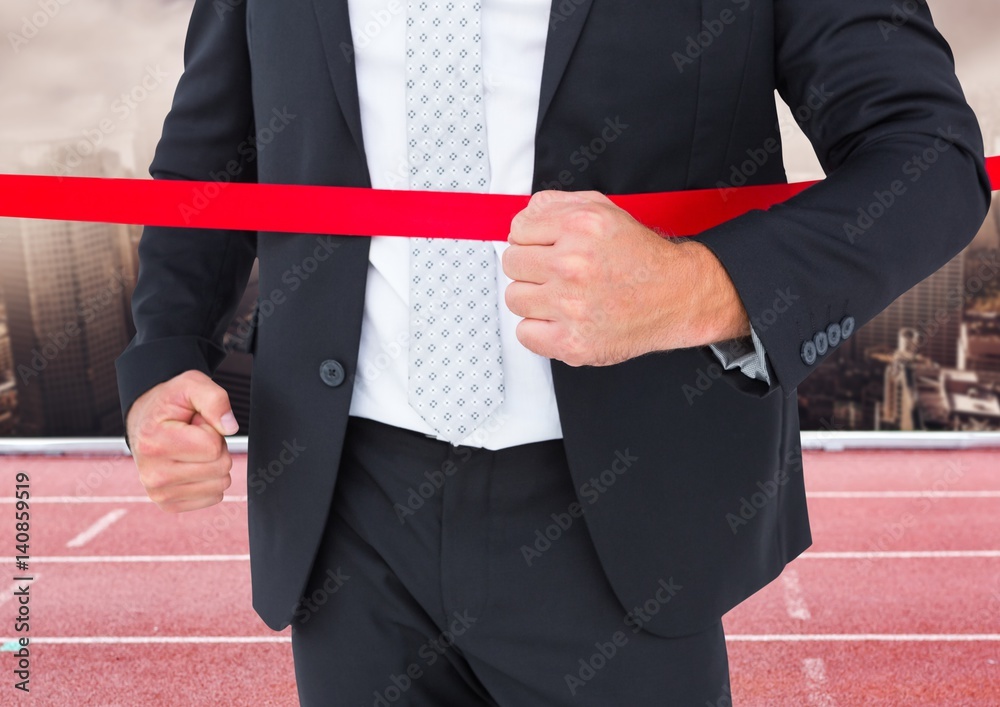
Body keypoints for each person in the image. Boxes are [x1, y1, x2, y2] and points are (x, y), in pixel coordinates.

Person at [116, 0, 990, 704]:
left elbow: (929, 155)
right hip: (343, 523)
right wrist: (162, 359)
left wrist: (699, 287)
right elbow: (210, 162)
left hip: (625, 517)